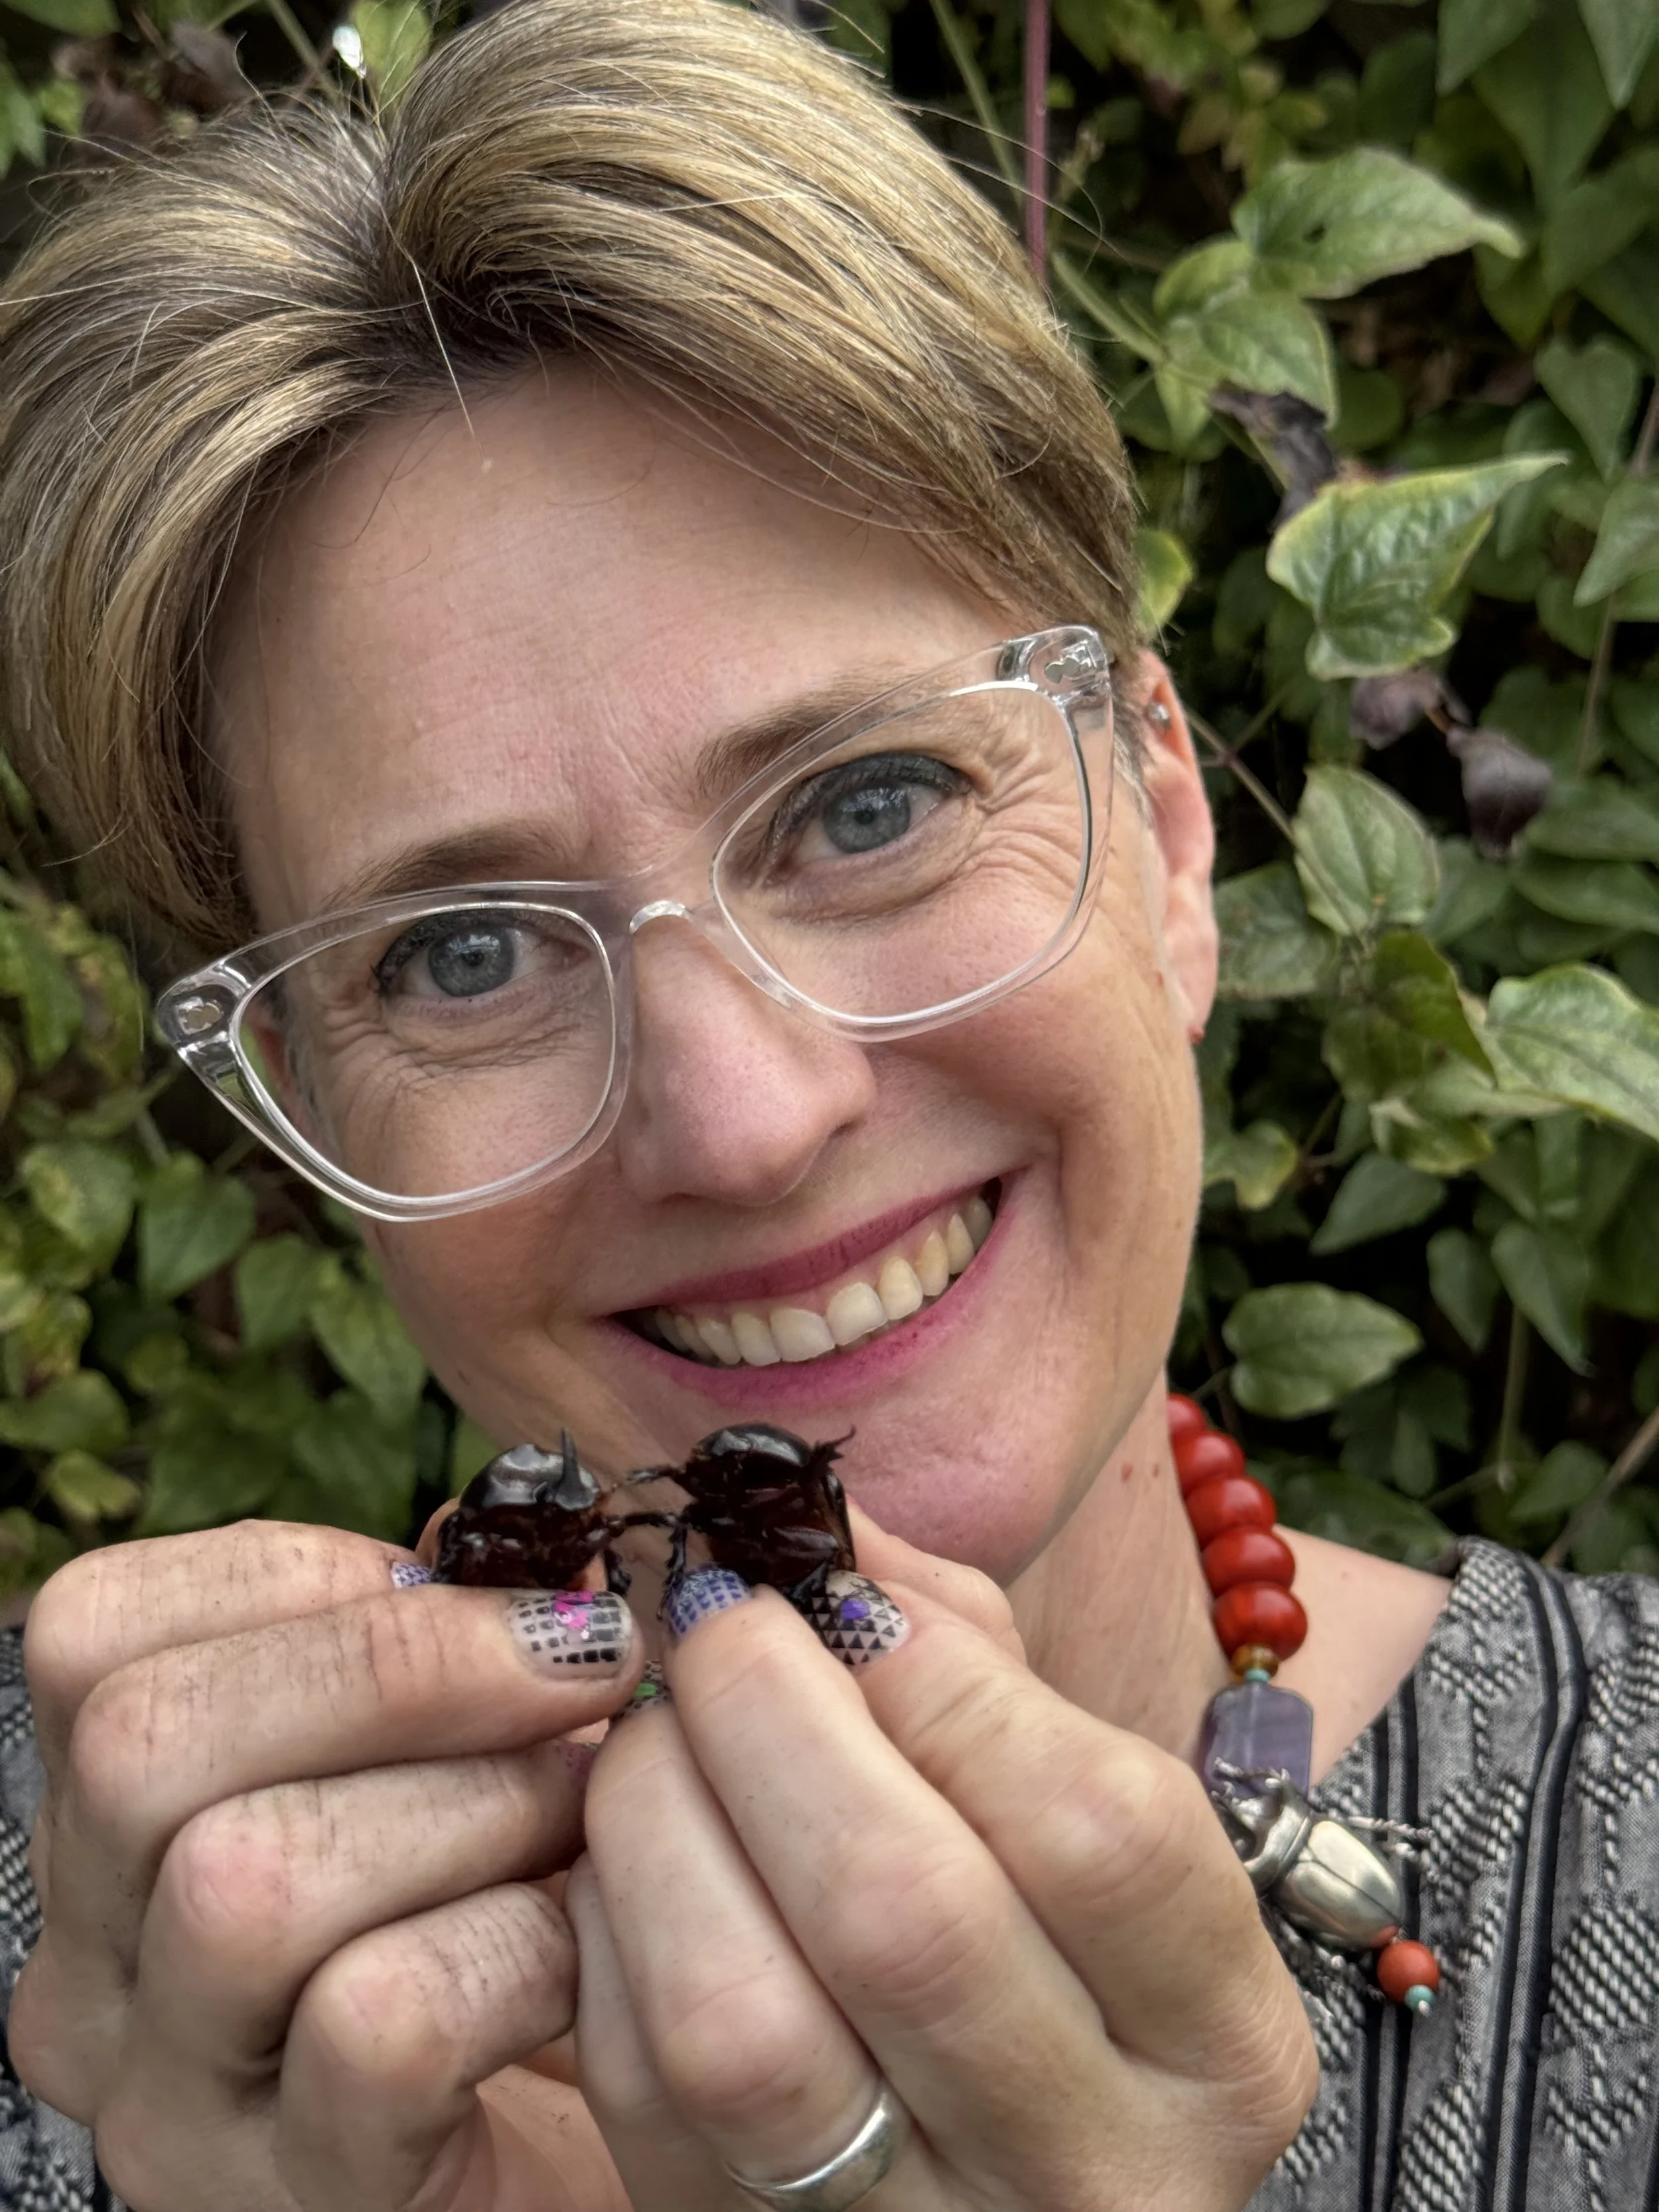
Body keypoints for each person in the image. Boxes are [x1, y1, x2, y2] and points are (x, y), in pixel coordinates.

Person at [0, 4, 1654, 2207]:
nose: (749, 1115)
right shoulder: (113, 1952)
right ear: (311, 1118)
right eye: (462, 952)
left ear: (1166, 838)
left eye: (867, 800)